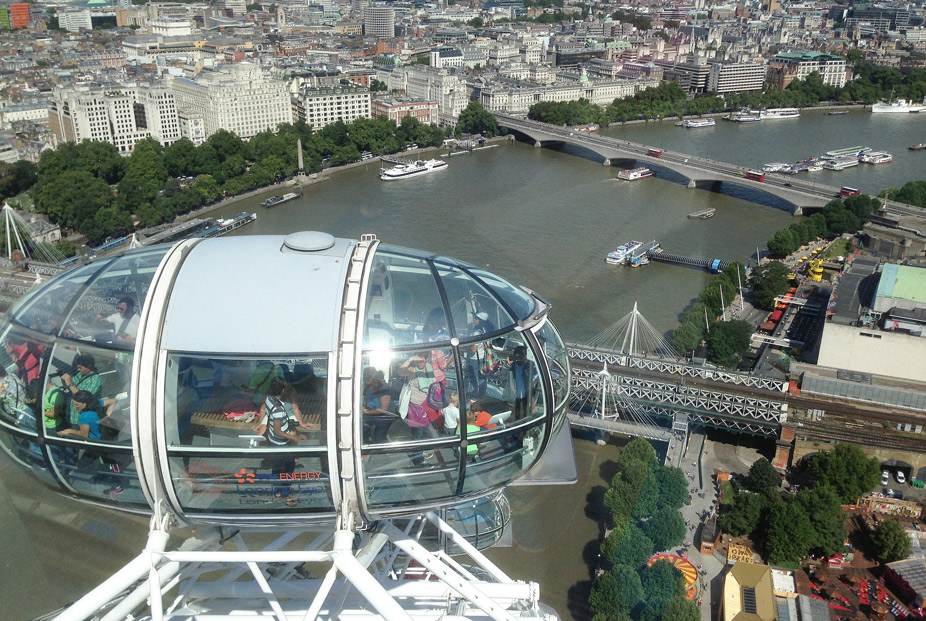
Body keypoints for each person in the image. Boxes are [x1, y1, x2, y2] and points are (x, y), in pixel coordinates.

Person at [57, 390, 123, 496]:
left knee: (88, 463)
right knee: (110, 461)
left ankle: (117, 484)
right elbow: (113, 401)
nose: (75, 408)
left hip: (96, 444)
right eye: (73, 405)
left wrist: (69, 431)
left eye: (77, 405)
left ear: (85, 404)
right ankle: (113, 478)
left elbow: (84, 435)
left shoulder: (85, 416)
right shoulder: (97, 402)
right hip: (106, 437)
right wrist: (107, 416)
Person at [264, 380, 305, 505]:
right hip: (280, 443)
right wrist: (294, 437)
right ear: (282, 391)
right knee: (288, 468)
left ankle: (277, 490)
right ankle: (285, 494)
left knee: (277, 467)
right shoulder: (279, 410)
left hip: (272, 440)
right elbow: (278, 431)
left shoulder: (268, 400)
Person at [397, 353, 436, 466]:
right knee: (417, 434)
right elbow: (400, 371)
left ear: (426, 359)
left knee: (423, 432)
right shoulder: (413, 370)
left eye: (421, 361)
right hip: (416, 407)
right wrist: (410, 359)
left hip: (427, 405)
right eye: (417, 361)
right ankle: (418, 460)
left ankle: (420, 452)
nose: (419, 363)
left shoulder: (429, 368)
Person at [60, 354, 103, 427]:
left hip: (82, 418)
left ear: (89, 367)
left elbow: (83, 397)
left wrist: (70, 383)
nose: (78, 370)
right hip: (72, 414)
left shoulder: (95, 380)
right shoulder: (80, 375)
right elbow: (71, 388)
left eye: (80, 368)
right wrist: (64, 380)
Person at [362, 367, 393, 444]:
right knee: (361, 431)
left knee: (379, 437)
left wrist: (367, 412)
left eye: (367, 379)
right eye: (364, 378)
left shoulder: (384, 387)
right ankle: (367, 450)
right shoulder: (366, 386)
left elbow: (384, 410)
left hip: (384, 416)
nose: (365, 381)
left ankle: (384, 452)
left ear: (373, 378)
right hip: (370, 413)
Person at [507, 346, 530, 420]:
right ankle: (520, 422)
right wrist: (509, 364)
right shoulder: (516, 364)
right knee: (520, 410)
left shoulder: (525, 363)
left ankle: (521, 422)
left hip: (522, 391)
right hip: (520, 391)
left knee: (522, 410)